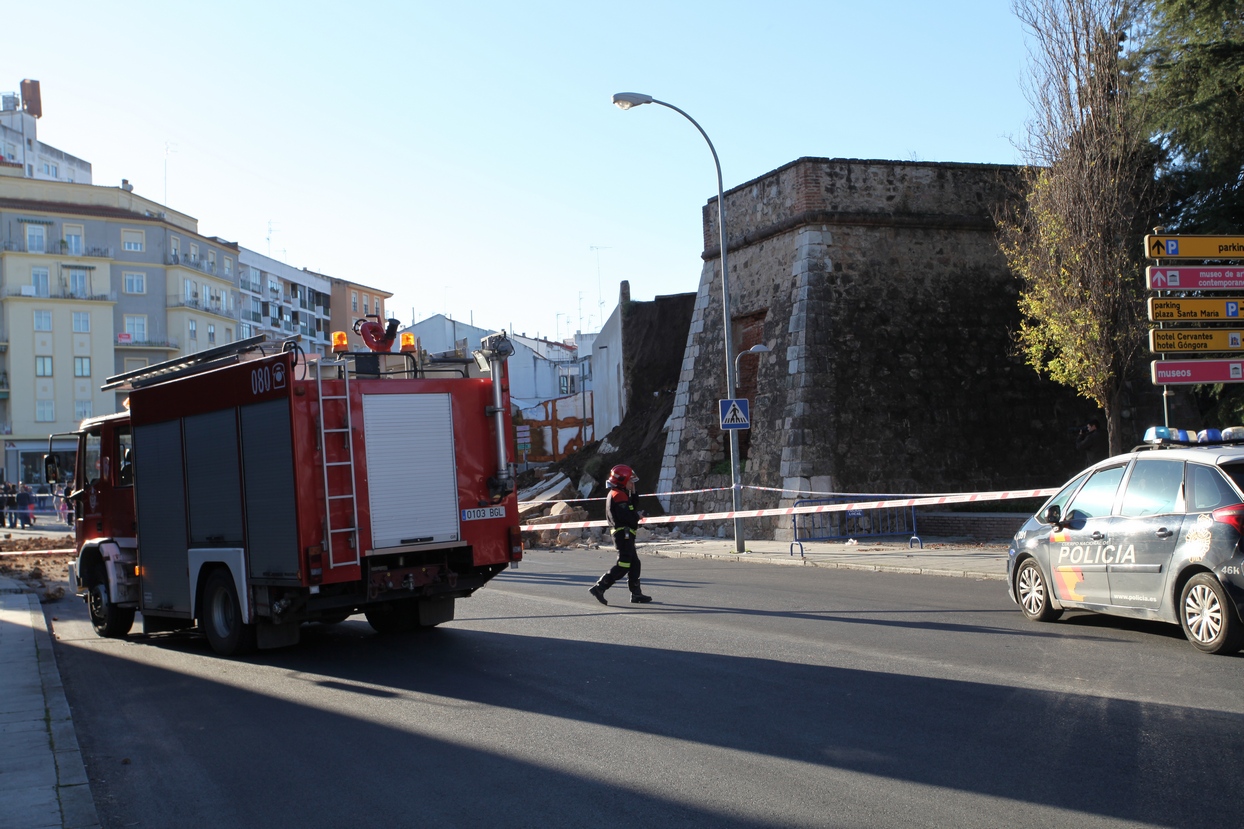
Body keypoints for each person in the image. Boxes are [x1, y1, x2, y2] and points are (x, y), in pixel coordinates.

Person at [589, 464, 652, 605]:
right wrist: (637, 516)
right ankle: (600, 587)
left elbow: (631, 508)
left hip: (626, 535)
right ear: (623, 481)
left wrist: (634, 493)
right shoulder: (617, 495)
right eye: (630, 481)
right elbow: (626, 516)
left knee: (635, 564)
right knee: (624, 564)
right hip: (623, 535)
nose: (632, 483)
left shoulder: (621, 493)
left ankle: (636, 594)